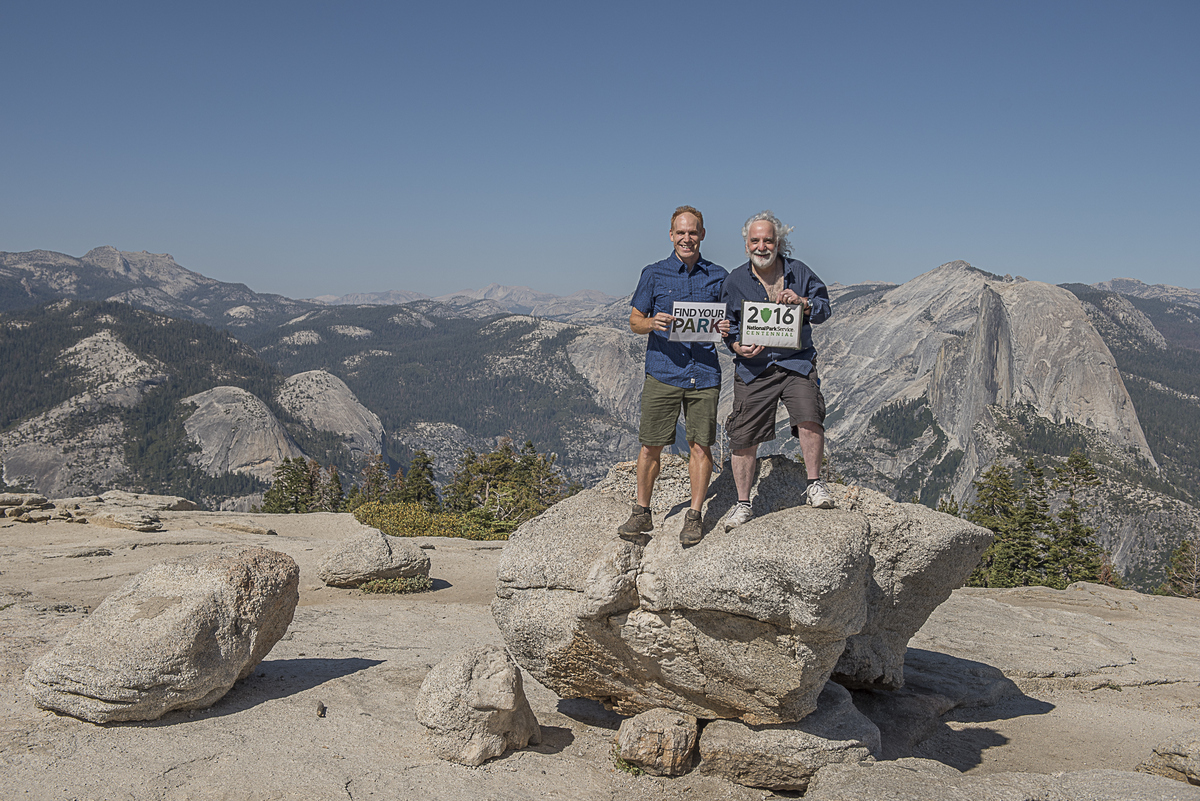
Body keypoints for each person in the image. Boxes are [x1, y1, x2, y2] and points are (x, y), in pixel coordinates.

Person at [618, 205, 730, 547]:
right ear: (671, 235)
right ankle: (641, 511)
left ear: (702, 235)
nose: (687, 238)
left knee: (701, 445)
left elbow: (731, 320)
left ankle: (694, 516)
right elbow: (635, 321)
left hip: (705, 373)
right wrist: (653, 323)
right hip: (664, 372)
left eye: (693, 232)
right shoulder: (654, 274)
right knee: (651, 444)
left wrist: (727, 328)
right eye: (681, 232)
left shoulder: (719, 276)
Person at [720, 210, 834, 530]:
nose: (761, 246)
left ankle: (813, 484)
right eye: (755, 240)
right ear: (746, 245)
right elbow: (726, 326)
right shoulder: (735, 280)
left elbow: (825, 309)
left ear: (778, 242)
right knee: (743, 436)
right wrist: (735, 345)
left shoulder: (800, 273)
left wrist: (805, 303)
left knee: (809, 414)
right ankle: (743, 504)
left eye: (768, 240)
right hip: (754, 368)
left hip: (795, 361)